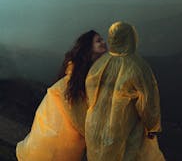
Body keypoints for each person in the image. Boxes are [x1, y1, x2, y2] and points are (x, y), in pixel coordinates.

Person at [16, 30, 108, 161]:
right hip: (55, 144)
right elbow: (79, 116)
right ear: (88, 47)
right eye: (98, 40)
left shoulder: (83, 75)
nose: (104, 42)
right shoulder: (73, 81)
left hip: (61, 144)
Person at [85, 21, 165, 161]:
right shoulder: (138, 66)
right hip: (125, 128)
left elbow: (90, 92)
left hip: (95, 126)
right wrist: (151, 126)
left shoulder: (99, 63)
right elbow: (148, 100)